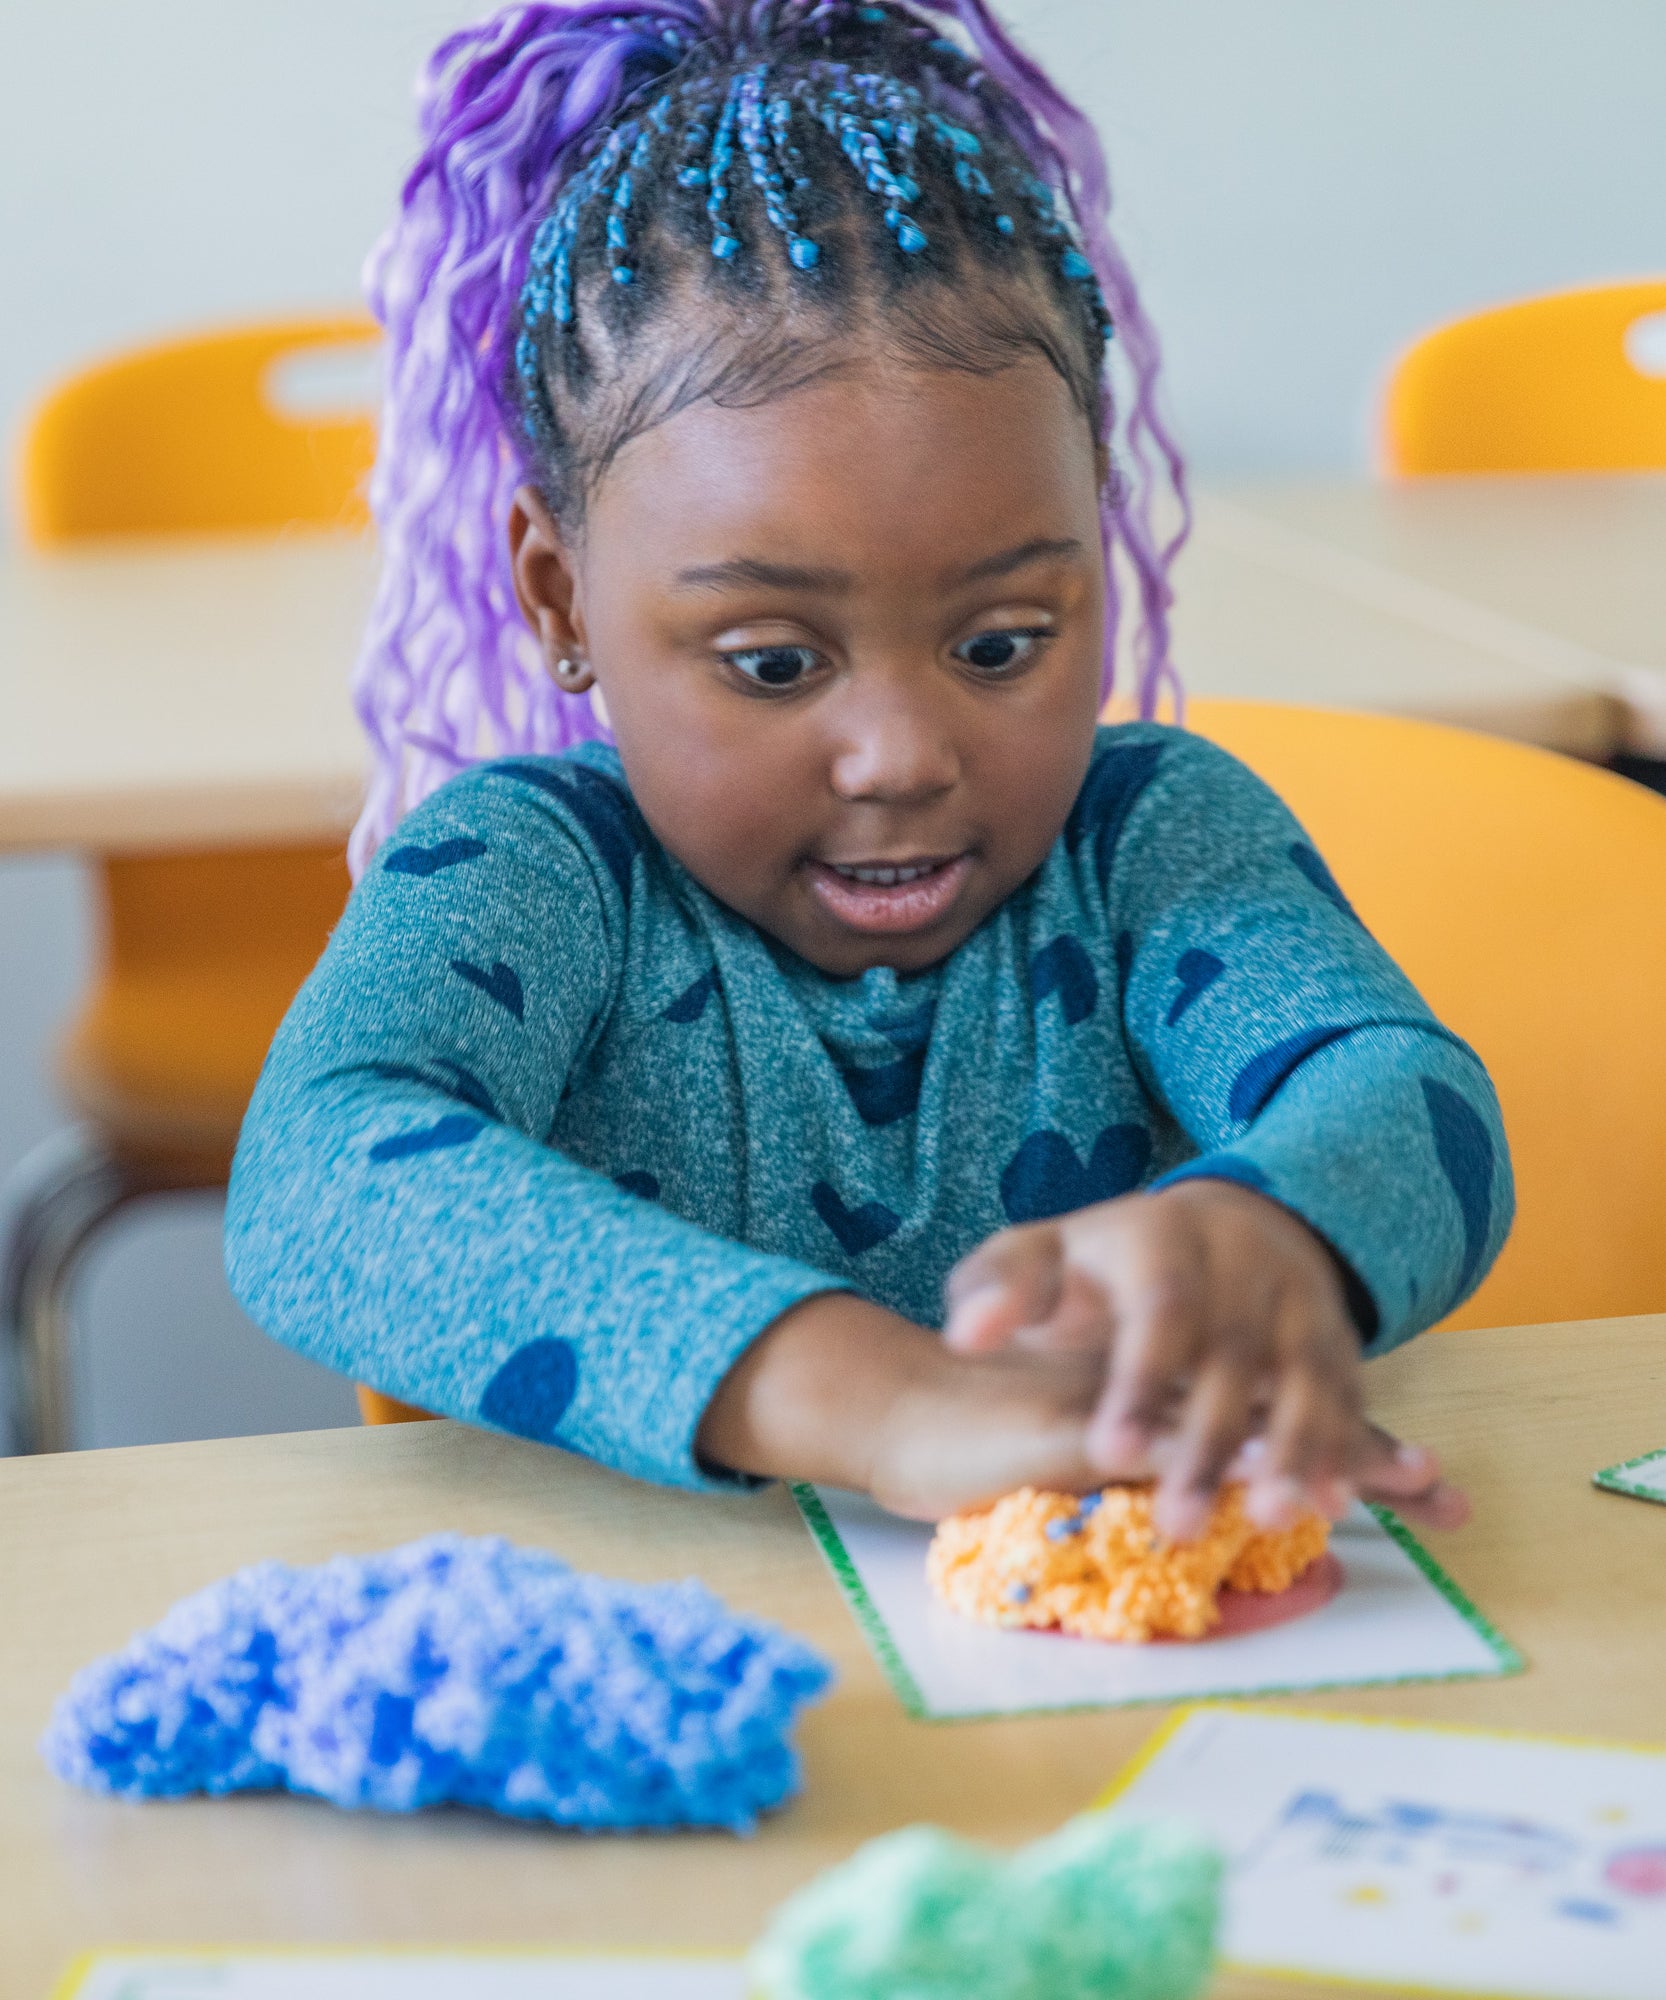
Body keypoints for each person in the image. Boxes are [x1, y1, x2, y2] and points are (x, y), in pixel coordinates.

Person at [226, 0, 1511, 1540]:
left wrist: (1271, 1235)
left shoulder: (1152, 840)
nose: (902, 758)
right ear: (561, 598)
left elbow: (1402, 1094)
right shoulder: (532, 876)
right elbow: (317, 1175)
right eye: (772, 663)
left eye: (1000, 643)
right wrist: (881, 1401)